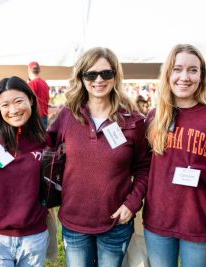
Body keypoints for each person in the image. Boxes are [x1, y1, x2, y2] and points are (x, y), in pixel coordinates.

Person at [48, 47, 151, 267]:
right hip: (74, 222)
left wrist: (132, 204)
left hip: (116, 222)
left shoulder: (134, 120)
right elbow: (42, 150)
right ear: (81, 77)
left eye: (106, 73)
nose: (98, 80)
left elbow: (144, 167)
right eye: (91, 74)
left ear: (116, 76)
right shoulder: (67, 116)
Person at [143, 44, 206, 266]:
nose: (184, 77)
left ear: (202, 75)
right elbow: (142, 169)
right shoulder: (155, 117)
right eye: (177, 69)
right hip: (158, 222)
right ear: (168, 73)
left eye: (192, 70)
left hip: (199, 222)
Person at [0, 76, 49, 266]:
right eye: (5, 104)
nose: (13, 110)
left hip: (34, 236)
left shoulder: (44, 139)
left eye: (18, 101)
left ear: (30, 99)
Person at [28, 61, 50, 128]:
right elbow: (47, 99)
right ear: (39, 70)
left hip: (35, 116)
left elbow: (28, 101)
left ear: (29, 70)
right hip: (44, 115)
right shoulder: (45, 83)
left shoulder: (31, 84)